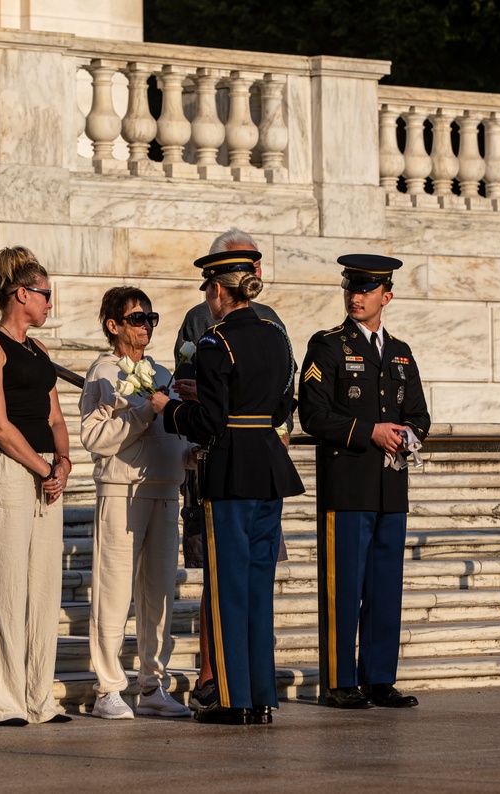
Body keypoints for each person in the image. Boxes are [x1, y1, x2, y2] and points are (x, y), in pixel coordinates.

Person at [151, 250, 303, 725]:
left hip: (232, 469)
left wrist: (168, 409)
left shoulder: (216, 341)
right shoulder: (275, 337)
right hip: (269, 468)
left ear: (218, 290)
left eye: (209, 291)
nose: (209, 300)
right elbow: (280, 408)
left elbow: (211, 421)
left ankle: (232, 698)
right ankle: (259, 696)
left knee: (229, 587)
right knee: (258, 587)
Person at [298, 254, 430, 709]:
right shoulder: (328, 345)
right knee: (345, 586)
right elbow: (313, 414)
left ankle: (378, 678)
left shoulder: (400, 351)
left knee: (384, 587)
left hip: (390, 487)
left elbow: (419, 415)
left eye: (366, 290)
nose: (356, 296)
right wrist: (370, 431)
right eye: (351, 288)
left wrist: (406, 434)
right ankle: (338, 681)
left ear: (385, 297)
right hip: (348, 484)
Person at [0, 246, 73, 726]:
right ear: (21, 293)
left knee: (44, 587)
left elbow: (54, 415)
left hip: (44, 471)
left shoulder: (40, 350)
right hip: (5, 469)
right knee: (5, 586)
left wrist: (64, 462)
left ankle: (38, 699)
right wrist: (43, 468)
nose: (51, 303)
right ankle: (3, 702)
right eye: (46, 294)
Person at [79, 286, 195, 720]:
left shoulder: (162, 371)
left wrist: (190, 453)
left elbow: (174, 435)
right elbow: (95, 438)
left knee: (159, 594)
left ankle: (152, 685)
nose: (145, 325)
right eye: (136, 318)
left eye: (150, 318)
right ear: (114, 326)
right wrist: (143, 411)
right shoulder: (103, 372)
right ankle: (108, 688)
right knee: (113, 592)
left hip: (165, 489)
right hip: (121, 490)